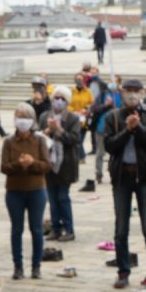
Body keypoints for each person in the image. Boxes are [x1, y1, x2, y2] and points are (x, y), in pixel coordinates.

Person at [104, 95, 146, 291]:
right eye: (127, 90)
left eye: (135, 90)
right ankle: (123, 271)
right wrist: (127, 130)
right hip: (122, 176)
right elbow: (109, 145)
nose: (131, 94)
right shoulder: (113, 116)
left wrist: (138, 128)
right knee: (121, 228)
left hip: (145, 175)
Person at [0, 105, 50, 281]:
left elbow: (46, 165)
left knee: (36, 229)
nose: (22, 120)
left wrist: (32, 163)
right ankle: (18, 266)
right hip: (14, 190)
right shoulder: (9, 142)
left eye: (25, 116)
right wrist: (18, 164)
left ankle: (36, 266)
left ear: (32, 120)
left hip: (36, 189)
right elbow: (4, 167)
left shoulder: (40, 140)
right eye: (19, 116)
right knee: (16, 229)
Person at [40, 88, 84, 243]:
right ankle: (55, 228)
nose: (58, 101)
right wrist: (46, 131)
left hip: (65, 163)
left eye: (62, 98)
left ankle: (69, 229)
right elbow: (38, 137)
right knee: (52, 198)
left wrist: (58, 130)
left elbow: (74, 139)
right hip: (49, 163)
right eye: (56, 98)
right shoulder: (45, 116)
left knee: (62, 197)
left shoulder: (72, 118)